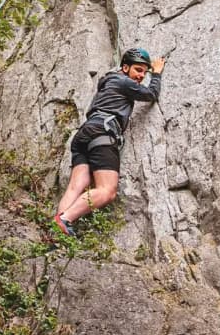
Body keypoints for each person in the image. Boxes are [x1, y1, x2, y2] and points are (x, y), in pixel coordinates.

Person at [52, 47, 165, 236]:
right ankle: (64, 219)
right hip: (102, 133)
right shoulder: (123, 81)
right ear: (126, 67)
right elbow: (150, 95)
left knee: (76, 186)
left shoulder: (109, 81)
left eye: (144, 73)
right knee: (107, 190)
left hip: (84, 134)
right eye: (138, 70)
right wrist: (156, 74)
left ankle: (56, 232)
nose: (141, 76)